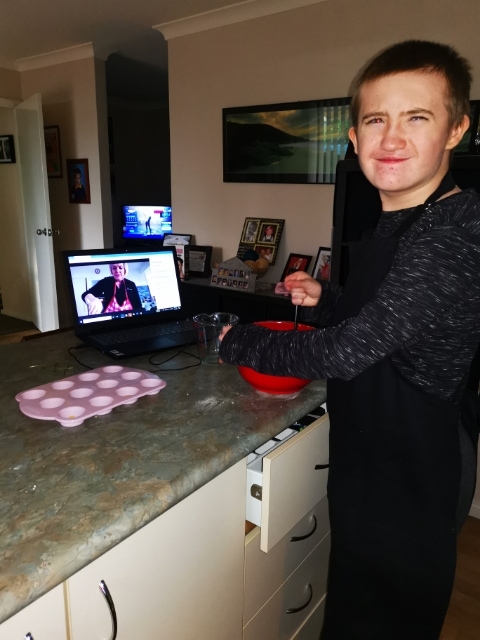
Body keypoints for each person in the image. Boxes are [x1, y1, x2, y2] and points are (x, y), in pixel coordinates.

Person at [219, 40, 480, 639]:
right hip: (377, 460)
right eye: (375, 120)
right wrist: (328, 298)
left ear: (455, 130)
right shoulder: (404, 218)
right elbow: (395, 322)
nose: (391, 138)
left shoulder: (452, 234)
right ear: (354, 138)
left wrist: (240, 341)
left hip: (409, 480)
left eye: (417, 117)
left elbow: (345, 352)